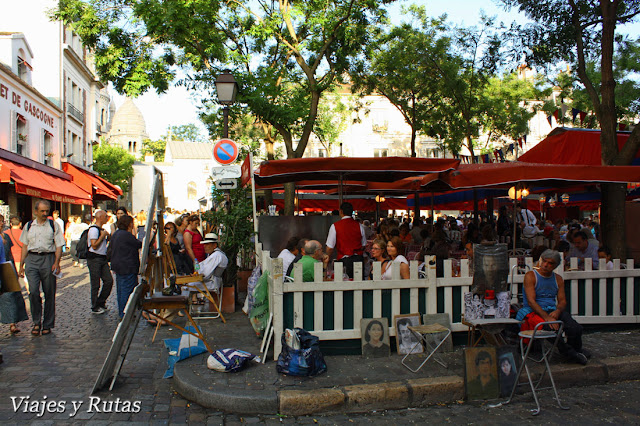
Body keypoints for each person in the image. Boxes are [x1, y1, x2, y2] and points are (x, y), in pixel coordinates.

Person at [516, 249, 589, 365]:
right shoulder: (531, 276)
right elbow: (531, 302)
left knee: (575, 328)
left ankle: (576, 350)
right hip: (533, 311)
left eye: (550, 263)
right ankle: (571, 353)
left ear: (555, 266)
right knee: (551, 331)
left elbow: (562, 301)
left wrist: (558, 310)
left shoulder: (558, 279)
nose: (546, 265)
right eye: (544, 261)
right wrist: (547, 317)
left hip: (551, 310)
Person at [18, 199, 65, 336]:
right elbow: (25, 246)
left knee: (49, 292)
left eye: (47, 211)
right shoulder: (29, 226)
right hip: (32, 259)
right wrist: (21, 264)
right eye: (42, 211)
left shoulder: (53, 225)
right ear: (36, 211)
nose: (45, 213)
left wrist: (57, 262)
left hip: (48, 259)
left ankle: (47, 324)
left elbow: (58, 245)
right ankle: (36, 322)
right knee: (33, 292)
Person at [109, 215, 142, 318]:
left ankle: (123, 312)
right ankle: (125, 313)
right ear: (129, 224)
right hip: (127, 267)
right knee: (126, 291)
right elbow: (138, 244)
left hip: (119, 266)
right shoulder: (126, 235)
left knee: (121, 291)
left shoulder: (117, 234)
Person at [325, 202, 366, 279]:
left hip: (344, 260)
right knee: (359, 284)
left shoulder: (335, 226)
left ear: (341, 211)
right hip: (358, 259)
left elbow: (330, 247)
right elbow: (363, 245)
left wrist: (327, 257)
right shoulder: (359, 226)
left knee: (344, 284)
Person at [0, 232, 28, 334]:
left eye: (2, 221)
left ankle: (12, 323)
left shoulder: (5, 236)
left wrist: (14, 271)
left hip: (6, 266)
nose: (1, 223)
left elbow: (10, 254)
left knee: (10, 296)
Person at [87, 210, 113, 314]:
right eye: (106, 216)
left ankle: (101, 301)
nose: (107, 218)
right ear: (101, 217)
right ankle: (94, 306)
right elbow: (94, 245)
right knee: (95, 284)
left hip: (102, 258)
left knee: (109, 281)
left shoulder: (101, 229)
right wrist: (103, 236)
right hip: (94, 259)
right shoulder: (93, 230)